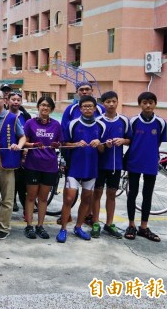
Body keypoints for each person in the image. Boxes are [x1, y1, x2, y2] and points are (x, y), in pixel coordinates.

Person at [57, 95, 105, 243]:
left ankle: (78, 227)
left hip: (91, 168)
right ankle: (63, 229)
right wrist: (76, 144)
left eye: (90, 106)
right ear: (80, 108)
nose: (88, 108)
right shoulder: (72, 124)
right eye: (85, 106)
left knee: (86, 199)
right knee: (69, 198)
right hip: (74, 168)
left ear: (95, 108)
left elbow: (103, 150)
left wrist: (100, 144)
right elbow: (64, 144)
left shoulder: (101, 126)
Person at [124, 91, 167, 242]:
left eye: (151, 102)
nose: (148, 105)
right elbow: (129, 140)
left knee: (147, 195)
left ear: (155, 104)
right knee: (132, 193)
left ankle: (143, 227)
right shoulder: (133, 121)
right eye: (144, 103)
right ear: (140, 104)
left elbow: (158, 142)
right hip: (134, 161)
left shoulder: (161, 123)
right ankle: (131, 225)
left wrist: (150, 154)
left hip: (150, 163)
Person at [0, 89, 26, 241]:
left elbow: (22, 137)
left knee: (7, 198)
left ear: (4, 100)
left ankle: (4, 227)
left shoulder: (12, 118)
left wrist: (18, 146)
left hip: (7, 163)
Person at [22, 96, 62, 239]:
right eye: (42, 105)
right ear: (38, 107)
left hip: (50, 166)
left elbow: (60, 142)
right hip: (32, 165)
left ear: (51, 109)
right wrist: (33, 145)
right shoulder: (29, 123)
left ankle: (40, 226)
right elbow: (24, 142)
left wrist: (57, 145)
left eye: (48, 106)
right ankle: (29, 226)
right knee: (31, 196)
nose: (45, 108)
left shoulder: (56, 125)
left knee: (43, 198)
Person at [92, 91, 131, 239]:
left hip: (116, 165)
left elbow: (129, 139)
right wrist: (104, 146)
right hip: (100, 165)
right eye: (108, 102)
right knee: (97, 194)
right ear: (103, 104)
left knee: (111, 195)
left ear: (117, 102)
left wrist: (123, 141)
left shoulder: (124, 121)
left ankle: (109, 223)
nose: (111, 104)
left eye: (113, 101)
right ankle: (95, 223)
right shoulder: (98, 121)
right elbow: (96, 145)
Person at [7, 91, 31, 217]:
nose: (15, 102)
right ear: (7, 101)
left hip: (21, 152)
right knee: (9, 182)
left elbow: (28, 135)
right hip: (7, 153)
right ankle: (11, 205)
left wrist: (25, 149)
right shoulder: (2, 115)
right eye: (13, 99)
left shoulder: (26, 116)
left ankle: (26, 211)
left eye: (18, 100)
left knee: (22, 182)